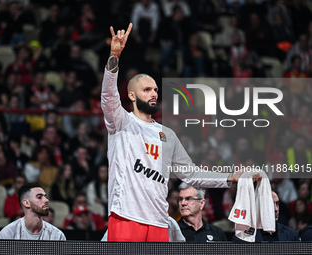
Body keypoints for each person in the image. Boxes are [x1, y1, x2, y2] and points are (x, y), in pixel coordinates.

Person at [101, 23, 251, 242]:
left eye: (155, 90)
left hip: (160, 221)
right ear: (132, 96)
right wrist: (114, 56)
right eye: (146, 90)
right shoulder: (121, 122)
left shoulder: (167, 135)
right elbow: (108, 96)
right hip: (126, 216)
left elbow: (190, 174)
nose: (153, 94)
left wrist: (229, 177)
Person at [0, 182, 66, 240]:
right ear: (26, 203)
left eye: (46, 197)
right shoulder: (8, 234)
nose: (46, 200)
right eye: (39, 197)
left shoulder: (57, 235)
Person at [233, 191, 300, 242]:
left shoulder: (291, 234)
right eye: (270, 204)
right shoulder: (242, 237)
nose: (276, 209)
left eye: (277, 204)